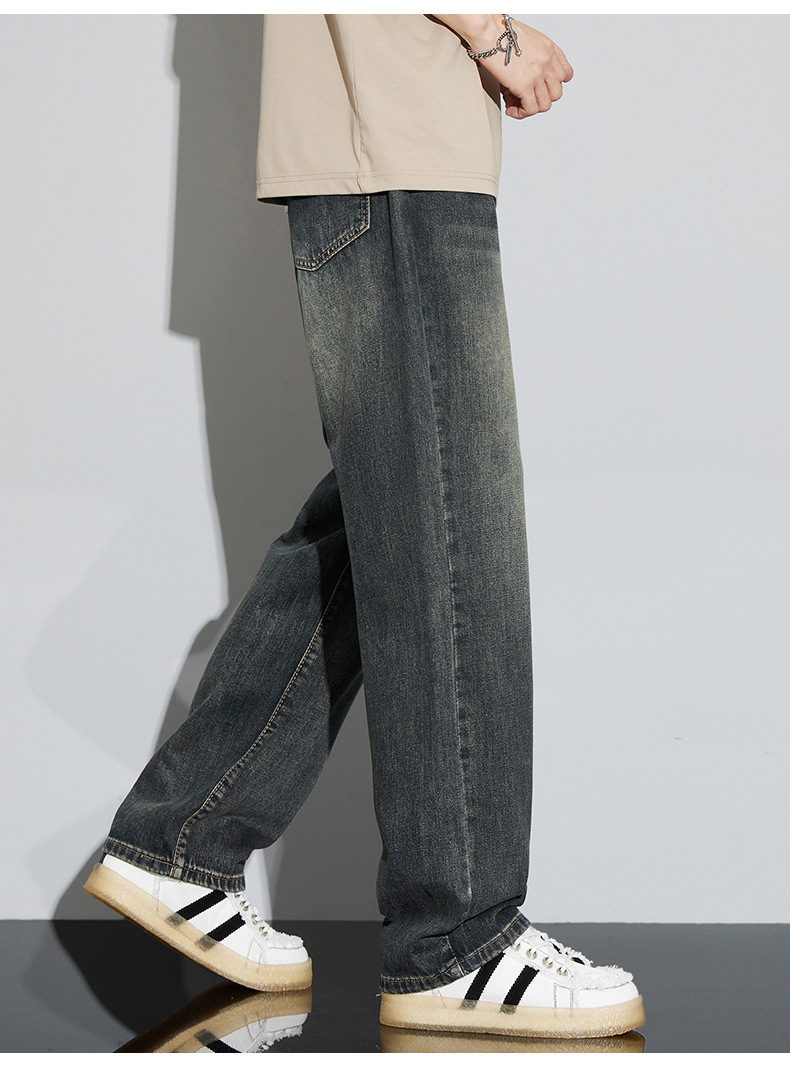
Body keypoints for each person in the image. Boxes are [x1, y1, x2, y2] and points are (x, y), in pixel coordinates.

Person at [85, 14, 644, 1040]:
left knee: (409, 507)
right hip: (393, 141)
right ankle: (455, 942)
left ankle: (184, 837)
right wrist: (492, 31)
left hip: (393, 144)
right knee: (451, 523)